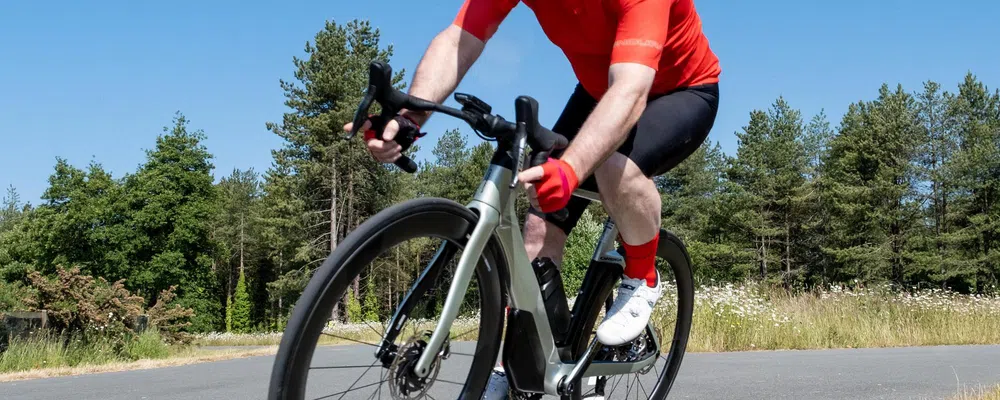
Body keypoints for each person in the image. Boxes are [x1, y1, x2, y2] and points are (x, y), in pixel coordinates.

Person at [345, 0, 720, 346]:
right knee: (539, 224)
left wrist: (571, 170)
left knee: (614, 171)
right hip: (600, 89)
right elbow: (461, 38)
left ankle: (642, 275)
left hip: (679, 90)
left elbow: (632, 90)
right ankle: (533, 364)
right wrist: (411, 116)